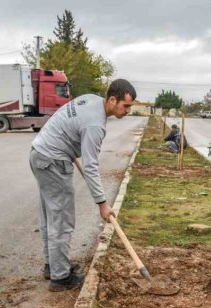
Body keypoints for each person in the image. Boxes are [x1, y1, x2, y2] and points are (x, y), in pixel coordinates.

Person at [30, 79, 137, 291]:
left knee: (50, 217)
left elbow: (66, 123)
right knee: (61, 220)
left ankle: (53, 266)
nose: (128, 111)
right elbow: (90, 166)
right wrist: (102, 203)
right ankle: (60, 278)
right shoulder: (96, 124)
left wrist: (67, 144)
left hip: (39, 153)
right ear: (112, 100)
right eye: (126, 106)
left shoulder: (91, 99)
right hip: (53, 160)